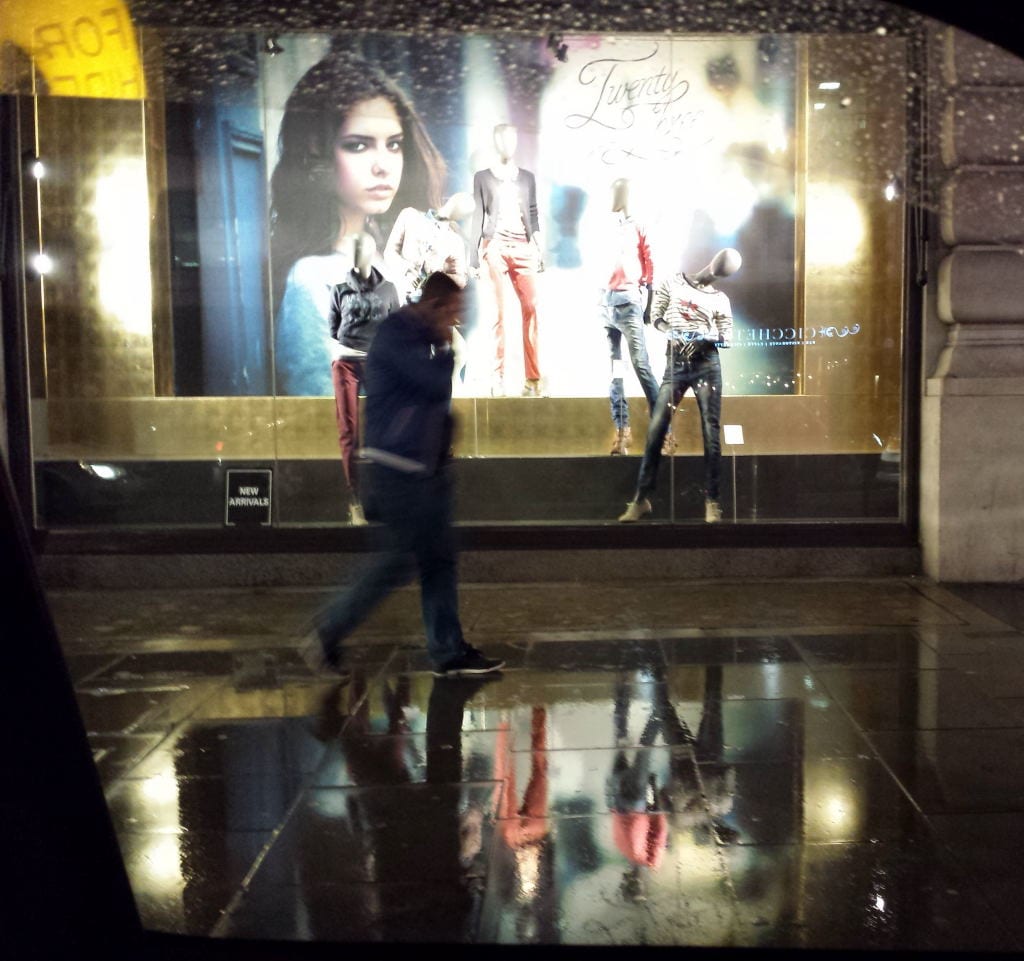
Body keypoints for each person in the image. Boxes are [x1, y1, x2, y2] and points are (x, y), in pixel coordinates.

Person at [303, 272, 505, 677]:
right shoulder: (396, 334)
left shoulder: (417, 335)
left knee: (438, 560)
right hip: (399, 470)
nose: (454, 322)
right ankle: (327, 633)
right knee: (395, 562)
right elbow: (432, 384)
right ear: (433, 305)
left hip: (425, 469)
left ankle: (448, 652)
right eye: (450, 313)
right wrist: (446, 349)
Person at [270, 54, 446, 396]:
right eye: (358, 145)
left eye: (393, 144)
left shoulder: (398, 262)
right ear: (315, 154)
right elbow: (319, 410)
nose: (383, 165)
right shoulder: (312, 279)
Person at [618, 248, 742, 525]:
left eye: (726, 273)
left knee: (710, 432)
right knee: (656, 429)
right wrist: (671, 332)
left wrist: (703, 338)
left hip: (707, 365)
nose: (719, 274)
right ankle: (641, 499)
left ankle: (712, 501)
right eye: (721, 268)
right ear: (714, 262)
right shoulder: (674, 282)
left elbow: (727, 336)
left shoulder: (720, 299)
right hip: (675, 366)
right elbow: (655, 315)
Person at [327, 233, 400, 526]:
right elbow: (334, 330)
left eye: (363, 246)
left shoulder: (389, 289)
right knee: (349, 431)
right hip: (346, 362)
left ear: (372, 251)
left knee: (384, 429)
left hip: (378, 363)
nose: (358, 251)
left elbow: (396, 326)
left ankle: (384, 496)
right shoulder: (340, 289)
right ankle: (354, 499)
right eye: (354, 247)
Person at [469, 123, 545, 398]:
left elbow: (532, 212)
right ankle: (497, 377)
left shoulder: (527, 178)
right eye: (502, 139)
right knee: (497, 314)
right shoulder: (482, 177)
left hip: (523, 246)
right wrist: (473, 256)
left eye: (512, 139)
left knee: (531, 308)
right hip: (495, 247)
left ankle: (533, 379)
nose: (507, 144)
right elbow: (478, 215)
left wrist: (538, 245)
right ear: (494, 143)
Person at [595, 177, 662, 456]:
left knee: (641, 366)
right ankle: (622, 430)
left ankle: (664, 430)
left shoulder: (640, 225)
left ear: (625, 195)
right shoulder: (609, 227)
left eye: (615, 192)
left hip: (629, 303)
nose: (611, 198)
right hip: (606, 304)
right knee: (616, 370)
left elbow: (651, 261)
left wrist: (649, 303)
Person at [384, 191, 475, 301]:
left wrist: (435, 279)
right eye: (460, 204)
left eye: (465, 211)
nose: (459, 210)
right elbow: (389, 253)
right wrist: (406, 269)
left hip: (428, 301)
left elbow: (460, 279)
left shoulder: (455, 241)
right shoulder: (410, 216)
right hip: (397, 293)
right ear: (451, 201)